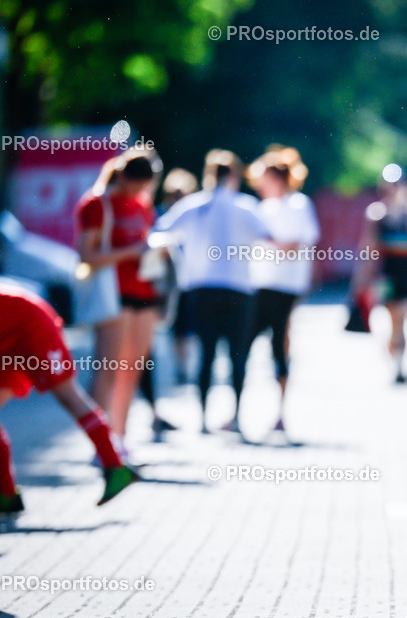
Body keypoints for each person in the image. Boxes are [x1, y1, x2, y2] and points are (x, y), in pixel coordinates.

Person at [0, 269, 139, 516]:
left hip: (30, 325)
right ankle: (5, 493)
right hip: (1, 343)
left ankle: (115, 466)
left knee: (67, 395)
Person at [154, 150, 272, 436]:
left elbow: (160, 233)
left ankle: (204, 418)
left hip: (201, 289)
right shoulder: (245, 206)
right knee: (238, 355)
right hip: (239, 289)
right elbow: (269, 238)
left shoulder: (193, 206)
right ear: (232, 175)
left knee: (205, 353)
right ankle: (237, 418)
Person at [76, 150, 162, 452]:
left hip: (144, 293)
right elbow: (86, 256)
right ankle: (99, 444)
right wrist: (130, 253)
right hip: (113, 295)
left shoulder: (143, 205)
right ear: (123, 177)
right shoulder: (98, 204)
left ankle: (120, 437)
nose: (140, 192)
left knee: (132, 369)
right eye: (136, 185)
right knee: (107, 368)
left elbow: (144, 242)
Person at [246, 147, 320, 434]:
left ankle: (280, 413)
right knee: (247, 345)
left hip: (284, 287)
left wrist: (266, 242)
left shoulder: (299, 205)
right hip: (260, 284)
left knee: (278, 347)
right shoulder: (263, 208)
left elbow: (295, 245)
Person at [351, 165, 407, 384]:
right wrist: (361, 281)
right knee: (395, 321)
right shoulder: (377, 215)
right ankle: (398, 366)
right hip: (388, 274)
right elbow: (368, 249)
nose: (393, 190)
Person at [159, 167, 200, 385]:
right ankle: (182, 367)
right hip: (170, 282)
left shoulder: (197, 214)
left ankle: (189, 366)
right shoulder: (162, 216)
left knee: (191, 328)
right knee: (176, 328)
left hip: (193, 280)